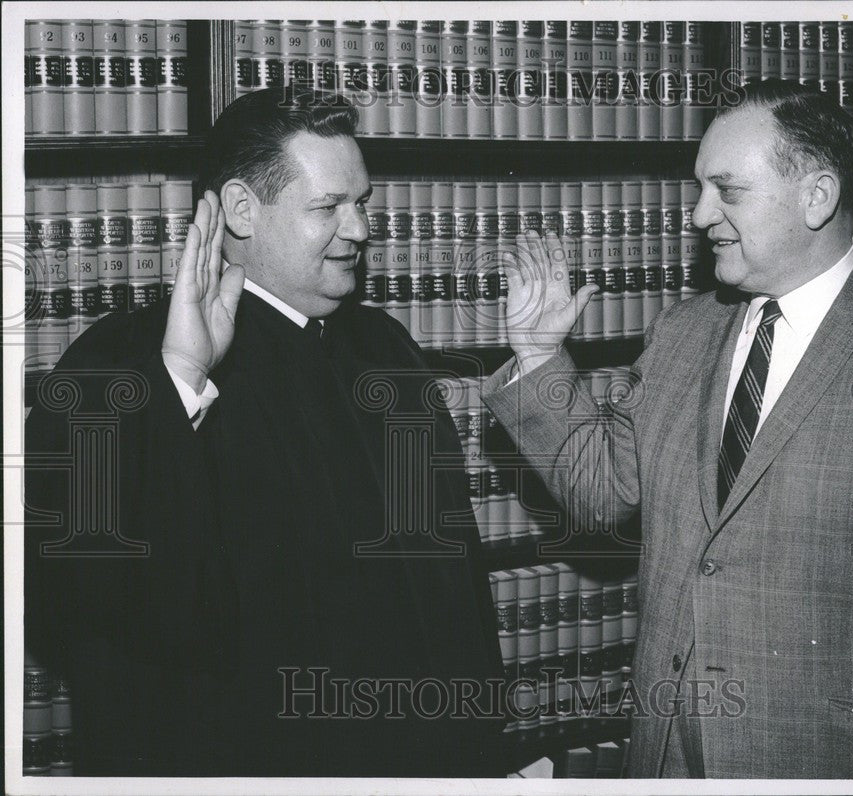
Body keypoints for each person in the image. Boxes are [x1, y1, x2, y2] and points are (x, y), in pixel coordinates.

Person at [482, 80, 853, 778]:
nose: (697, 213)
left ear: (817, 196)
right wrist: (538, 355)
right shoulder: (684, 332)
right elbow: (601, 497)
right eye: (699, 188)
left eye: (726, 190)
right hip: (664, 758)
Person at [25, 87, 504, 777]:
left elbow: (452, 581)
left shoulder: (384, 347)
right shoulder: (124, 359)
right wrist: (181, 379)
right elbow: (85, 589)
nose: (360, 230)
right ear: (243, 210)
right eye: (327, 207)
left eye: (361, 202)